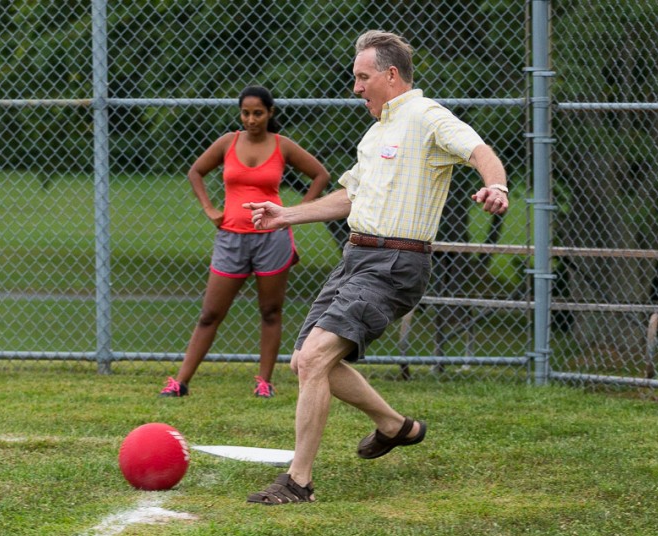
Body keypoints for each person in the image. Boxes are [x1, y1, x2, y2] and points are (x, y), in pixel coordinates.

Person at [243, 31, 509, 503]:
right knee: (306, 360)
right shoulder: (376, 131)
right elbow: (350, 196)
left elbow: (480, 152)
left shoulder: (428, 117)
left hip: (396, 262)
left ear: (390, 75)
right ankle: (394, 425)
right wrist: (286, 214)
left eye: (363, 77)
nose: (356, 87)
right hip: (357, 256)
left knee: (317, 357)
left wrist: (497, 187)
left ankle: (297, 482)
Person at [159, 85, 330, 398]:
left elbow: (320, 175)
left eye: (258, 113)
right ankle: (180, 382)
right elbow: (196, 171)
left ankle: (264, 381)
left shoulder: (283, 145)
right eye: (246, 113)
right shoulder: (228, 142)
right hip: (231, 238)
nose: (251, 119)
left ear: (270, 113)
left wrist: (295, 212)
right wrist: (210, 209)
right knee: (210, 313)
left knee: (270, 312)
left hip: (272, 240)